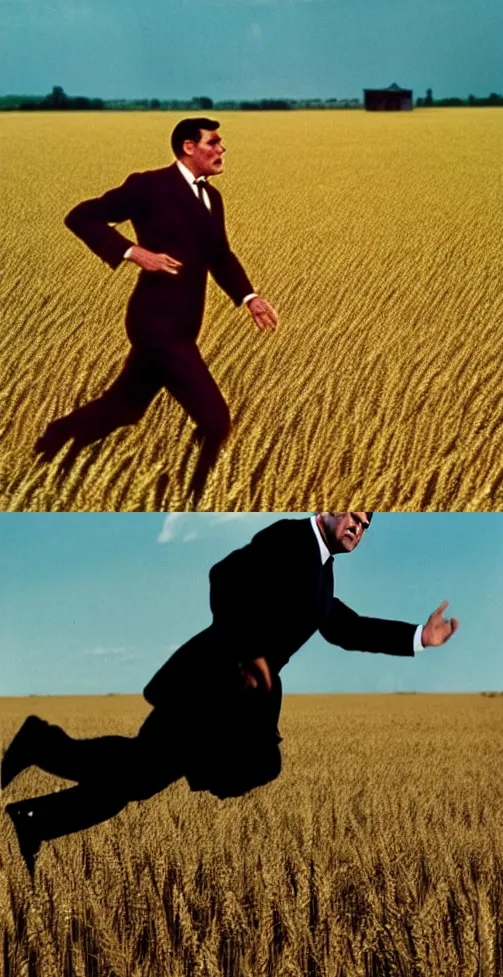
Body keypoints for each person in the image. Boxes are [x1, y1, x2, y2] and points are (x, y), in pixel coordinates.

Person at [2, 513, 459, 878]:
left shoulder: (322, 572)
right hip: (209, 682)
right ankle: (38, 752)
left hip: (234, 700)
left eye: (366, 526)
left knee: (139, 777)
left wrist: (420, 636)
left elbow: (344, 627)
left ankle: (36, 813)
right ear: (328, 507)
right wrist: (251, 652)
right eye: (354, 518)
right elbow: (224, 575)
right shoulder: (289, 538)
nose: (358, 529)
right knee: (139, 775)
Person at [35, 118, 280, 502]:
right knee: (215, 421)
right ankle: (193, 497)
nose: (222, 149)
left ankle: (53, 442)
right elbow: (81, 216)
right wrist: (133, 253)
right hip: (156, 324)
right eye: (213, 142)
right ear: (188, 147)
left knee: (123, 408)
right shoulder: (149, 186)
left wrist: (249, 297)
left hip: (184, 326)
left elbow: (220, 255)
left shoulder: (211, 198)